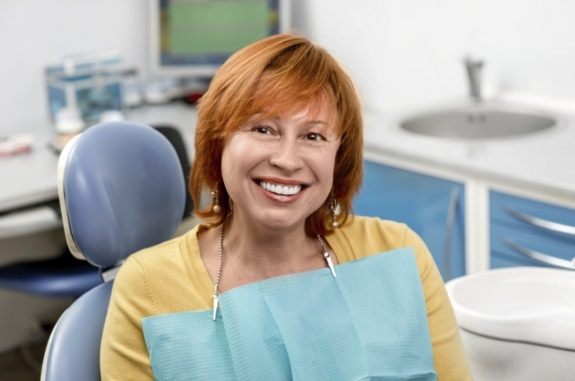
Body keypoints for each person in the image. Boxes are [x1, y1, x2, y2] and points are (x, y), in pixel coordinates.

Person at [100, 33, 472, 380]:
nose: (288, 159)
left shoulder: (398, 255)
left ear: (337, 157)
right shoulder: (146, 287)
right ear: (218, 142)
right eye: (263, 129)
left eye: (313, 136)